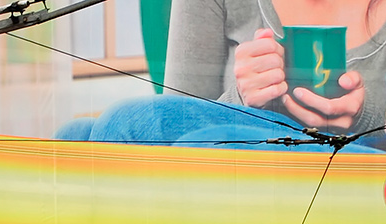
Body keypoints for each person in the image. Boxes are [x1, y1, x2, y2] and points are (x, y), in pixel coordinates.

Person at [56, 0, 386, 150]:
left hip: (362, 165)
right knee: (76, 136)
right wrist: (241, 98)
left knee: (136, 125)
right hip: (230, 146)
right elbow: (175, 114)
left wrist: (364, 115)